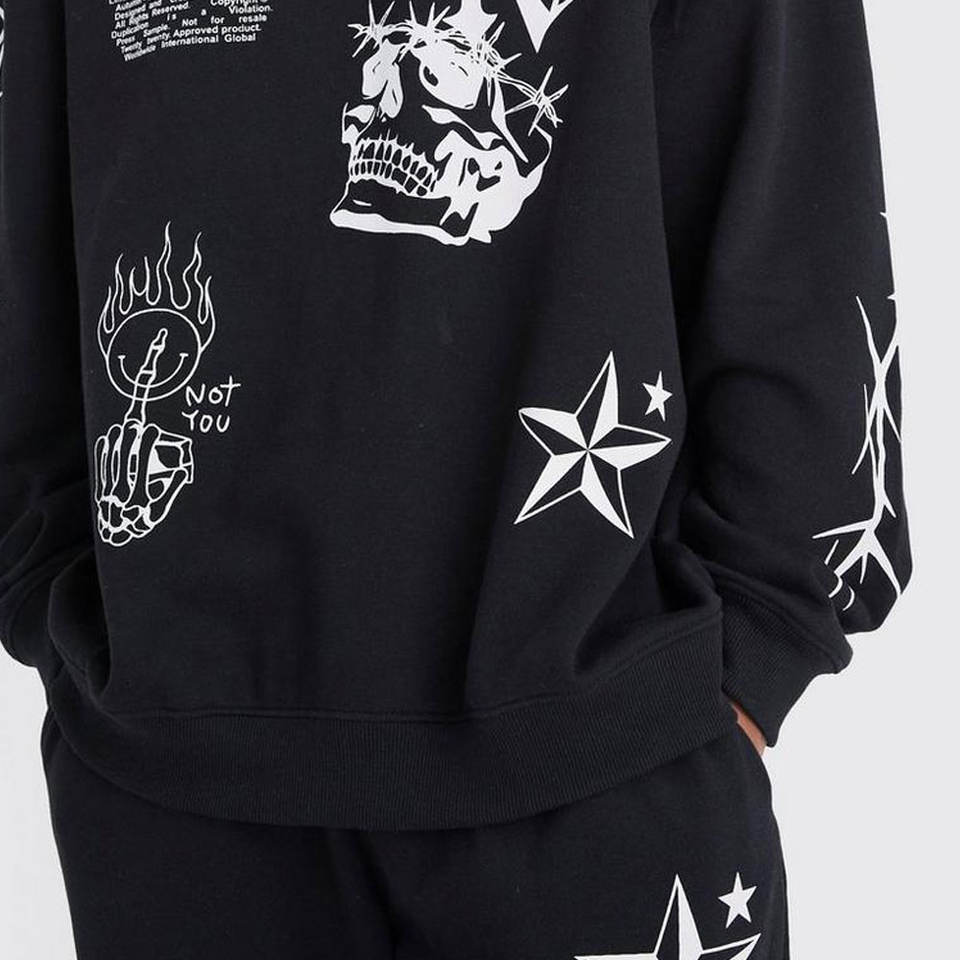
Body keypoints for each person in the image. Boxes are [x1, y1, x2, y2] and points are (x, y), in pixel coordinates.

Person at [0, 1, 910, 957]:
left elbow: (804, 206)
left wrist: (760, 641)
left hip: (611, 772)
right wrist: (43, 582)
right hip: (167, 797)